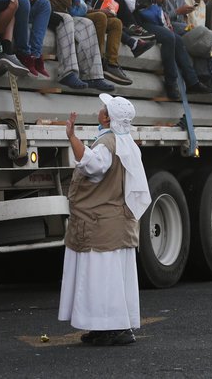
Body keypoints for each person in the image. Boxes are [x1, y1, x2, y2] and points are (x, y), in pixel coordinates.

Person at [58, 94, 151, 346]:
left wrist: (72, 137)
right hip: (117, 222)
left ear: (108, 118)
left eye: (104, 108)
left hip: (100, 223)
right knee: (114, 279)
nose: (99, 110)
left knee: (100, 279)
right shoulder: (127, 142)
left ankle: (113, 328)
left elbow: (92, 165)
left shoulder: (107, 143)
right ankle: (106, 327)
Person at [114, 0, 212, 99]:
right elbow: (138, 1)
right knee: (169, 37)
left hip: (143, 19)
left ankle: (192, 81)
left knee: (177, 39)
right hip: (138, 21)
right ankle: (172, 83)